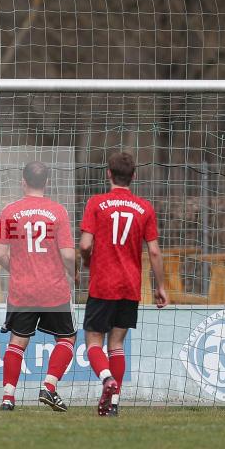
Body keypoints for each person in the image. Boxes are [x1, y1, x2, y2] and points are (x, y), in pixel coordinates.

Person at [79, 152, 168, 416]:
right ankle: (114, 404)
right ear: (134, 177)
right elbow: (154, 252)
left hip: (103, 283)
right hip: (130, 285)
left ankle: (107, 379)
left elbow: (85, 244)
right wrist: (160, 286)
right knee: (116, 344)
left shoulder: (96, 203)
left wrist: (87, 260)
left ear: (108, 174)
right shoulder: (145, 208)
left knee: (94, 341)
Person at [0, 162, 77, 412]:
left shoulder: (9, 211)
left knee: (17, 341)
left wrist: (18, 270)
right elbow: (68, 254)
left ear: (23, 180)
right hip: (54, 288)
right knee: (67, 337)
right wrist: (74, 275)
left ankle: (8, 397)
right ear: (47, 182)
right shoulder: (58, 212)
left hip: (23, 290)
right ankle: (49, 386)